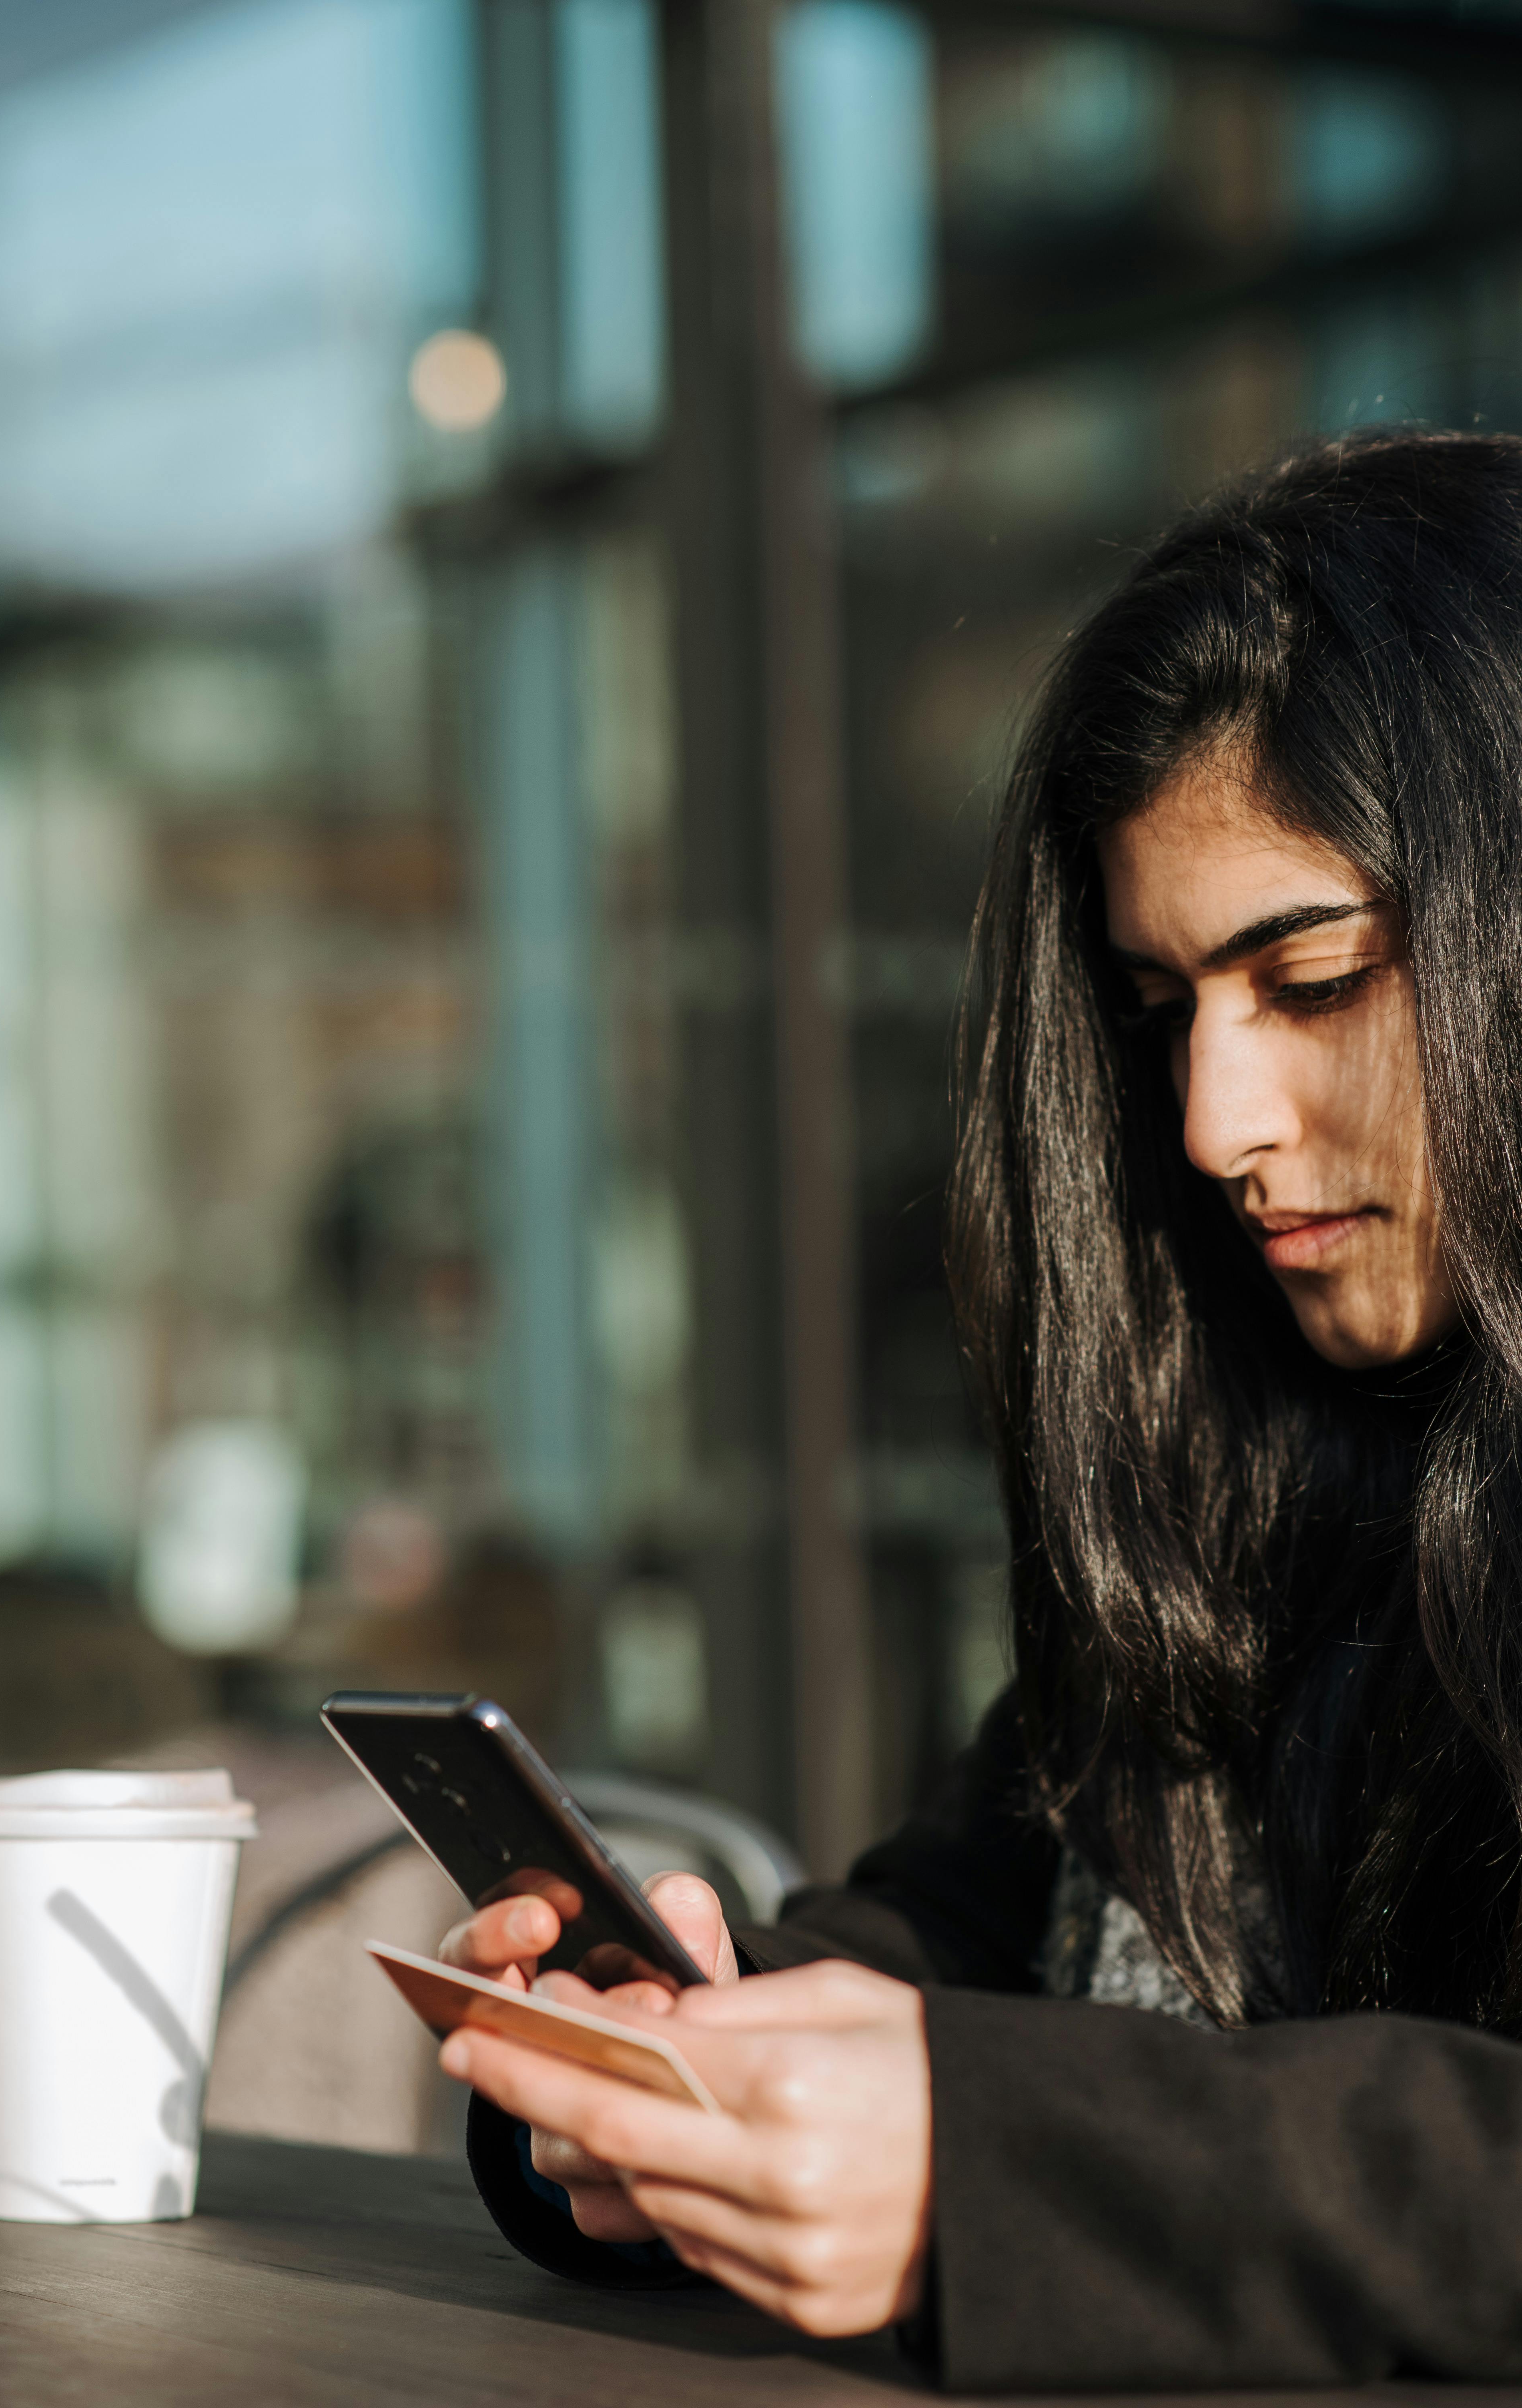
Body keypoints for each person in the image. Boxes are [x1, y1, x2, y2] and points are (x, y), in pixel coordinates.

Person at [436, 430, 1522, 2392]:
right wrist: (694, 2059)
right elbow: (960, 1927)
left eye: (1314, 974)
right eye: (1159, 1005)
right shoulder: (1239, 1482)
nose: (1213, 1125)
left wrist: (985, 2163)